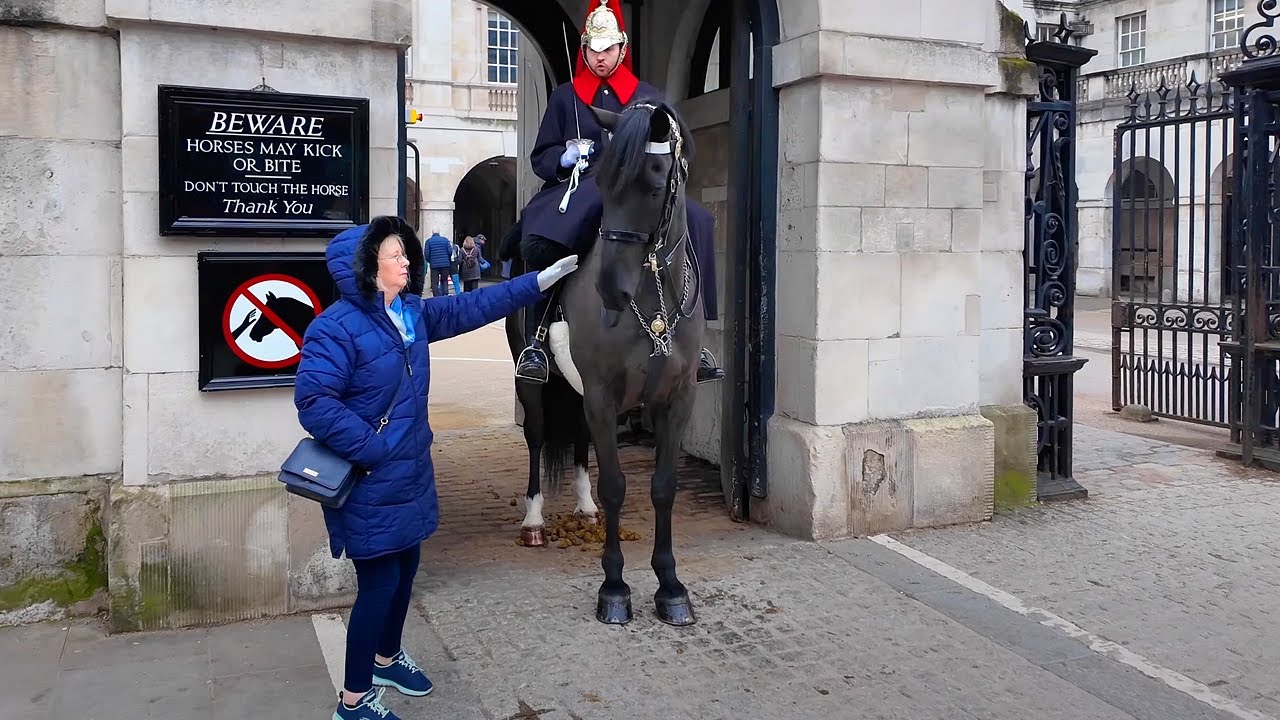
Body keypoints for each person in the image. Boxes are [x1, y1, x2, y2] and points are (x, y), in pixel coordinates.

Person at [293, 215, 578, 720]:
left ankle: (386, 659)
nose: (407, 260)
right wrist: (374, 450)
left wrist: (537, 283)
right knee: (378, 585)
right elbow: (315, 401)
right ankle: (353, 702)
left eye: (405, 253)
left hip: (412, 475)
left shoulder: (410, 312)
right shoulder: (333, 329)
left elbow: (474, 304)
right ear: (365, 267)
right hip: (371, 481)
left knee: (405, 573)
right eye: (395, 254)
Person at [512, 0, 724, 386]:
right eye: (593, 49)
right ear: (584, 50)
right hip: (584, 184)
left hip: (639, 187)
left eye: (608, 49)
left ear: (622, 49)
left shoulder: (649, 96)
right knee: (540, 233)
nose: (600, 58)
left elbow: (675, 145)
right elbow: (540, 158)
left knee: (700, 221)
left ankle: (700, 337)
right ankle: (537, 339)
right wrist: (564, 156)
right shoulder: (565, 97)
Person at [423, 229, 452, 297]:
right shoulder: (445, 240)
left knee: (434, 282)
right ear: (439, 232)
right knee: (444, 280)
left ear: (432, 233)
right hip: (445, 264)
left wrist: (430, 261)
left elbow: (426, 254)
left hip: (434, 265)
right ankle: (445, 295)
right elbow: (450, 251)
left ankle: (436, 296)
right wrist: (447, 259)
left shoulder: (429, 241)